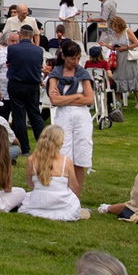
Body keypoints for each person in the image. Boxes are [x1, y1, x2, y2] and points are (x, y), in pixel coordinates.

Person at [46, 41, 95, 195]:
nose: (75, 62)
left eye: (77, 58)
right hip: (63, 115)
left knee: (81, 152)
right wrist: (76, 96)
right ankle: (62, 191)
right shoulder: (55, 75)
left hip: (82, 117)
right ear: (64, 57)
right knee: (63, 151)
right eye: (72, 59)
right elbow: (54, 100)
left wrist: (65, 98)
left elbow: (89, 99)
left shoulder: (83, 74)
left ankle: (76, 194)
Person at [20, 125, 84, 222]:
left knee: (26, 195)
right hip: (62, 206)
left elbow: (31, 184)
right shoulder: (66, 161)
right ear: (59, 142)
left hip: (38, 204)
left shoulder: (31, 159)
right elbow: (74, 187)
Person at [4, 23, 46, 153]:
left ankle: (25, 148)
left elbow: (9, 63)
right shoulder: (39, 50)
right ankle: (43, 146)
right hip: (32, 85)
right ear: (32, 36)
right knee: (35, 115)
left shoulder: (12, 49)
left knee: (19, 116)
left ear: (20, 35)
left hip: (16, 84)